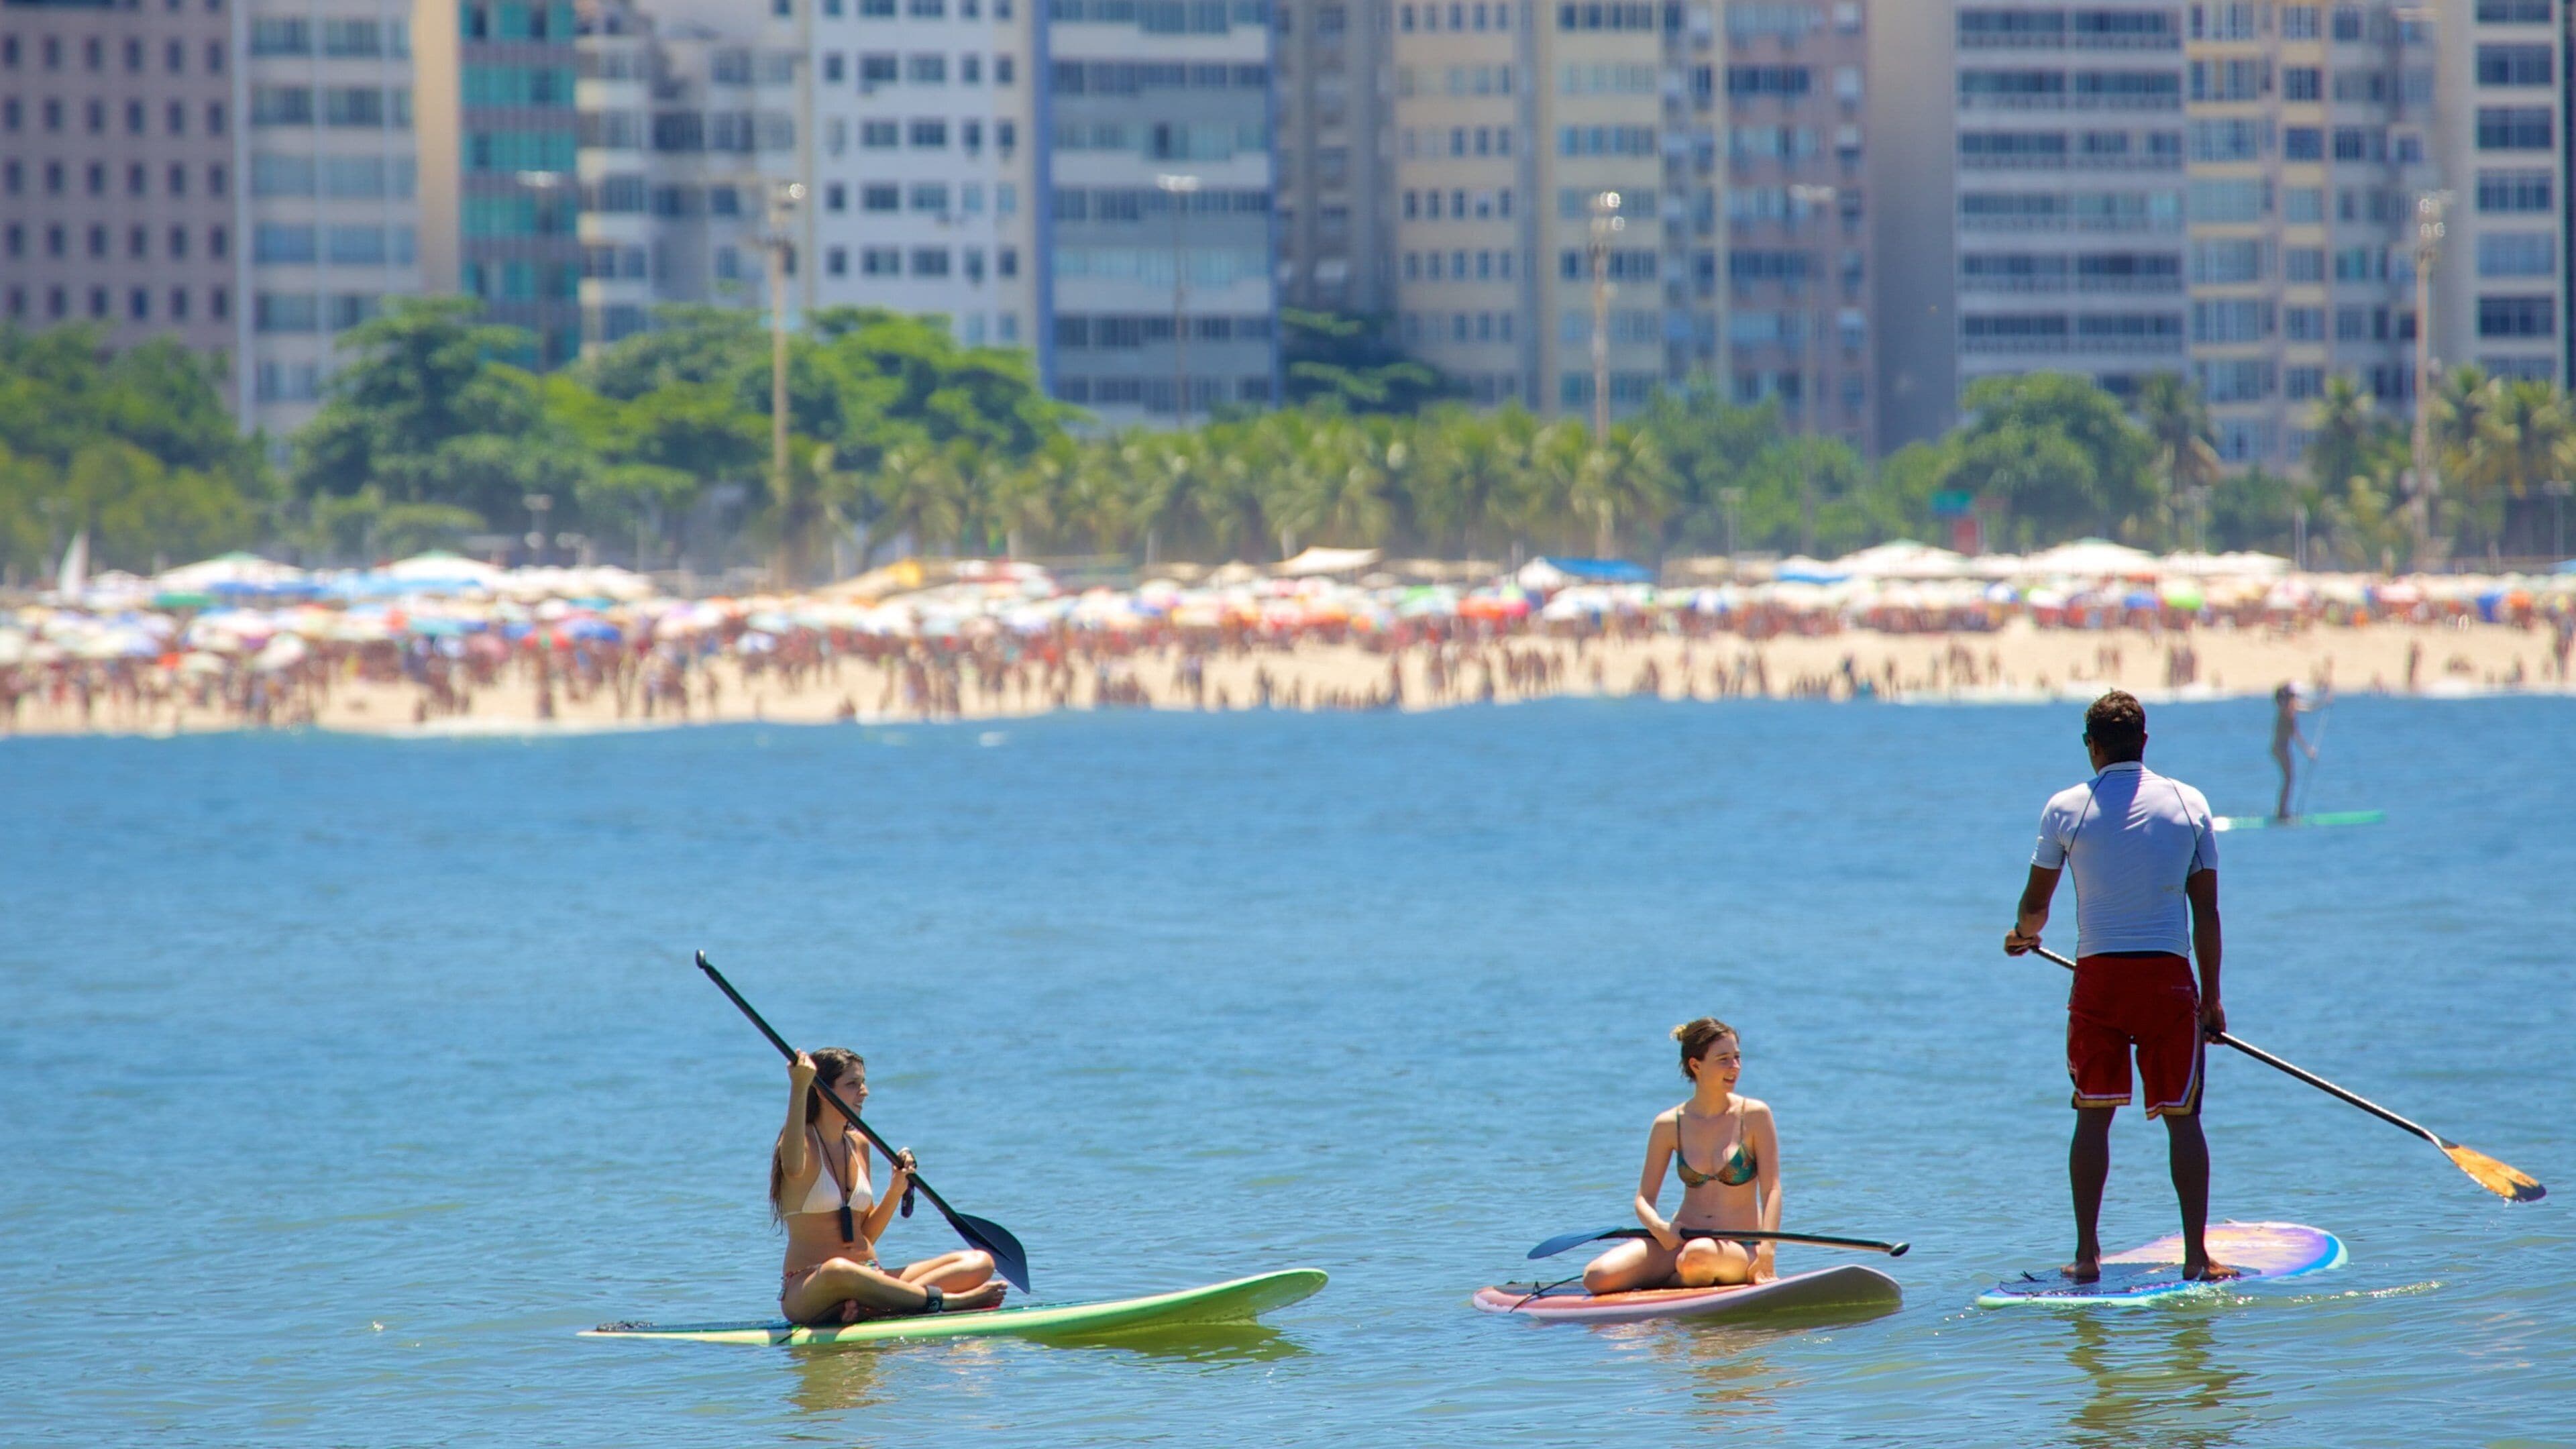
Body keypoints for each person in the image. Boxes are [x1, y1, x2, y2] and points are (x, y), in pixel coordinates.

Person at [2006, 690, 2237, 1284]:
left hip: (2099, 981)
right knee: (2184, 1119)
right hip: (2167, 980)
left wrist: (2022, 935)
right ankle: (2196, 1257)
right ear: (2145, 741)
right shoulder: (2191, 803)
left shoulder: (2065, 808)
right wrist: (2211, 1000)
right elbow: (2206, 913)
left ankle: (2087, 1257)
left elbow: (2036, 906)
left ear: (2093, 746)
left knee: (2093, 1116)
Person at [772, 1047, 1007, 1325]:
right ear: (822, 1091)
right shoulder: (799, 1142)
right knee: (839, 1270)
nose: (865, 1092)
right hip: (812, 1286)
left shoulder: (858, 1143)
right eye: (852, 1084)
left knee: (980, 1262)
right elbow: (791, 1166)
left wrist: (896, 1188)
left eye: (862, 1083)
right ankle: (949, 1301)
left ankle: (878, 1307)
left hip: (871, 1275)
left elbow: (866, 1233)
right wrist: (799, 1086)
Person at [1580, 1018, 1782, 1293]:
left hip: (1739, 1248)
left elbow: (1772, 1190)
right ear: (1695, 1065)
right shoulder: (1669, 1124)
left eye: (1737, 1058)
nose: (1735, 1067)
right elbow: (1643, 1199)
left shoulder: (1755, 1115)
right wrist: (1660, 1228)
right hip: (1680, 1241)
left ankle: (1670, 1282)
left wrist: (1767, 1252)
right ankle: (1676, 1279)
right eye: (1723, 1059)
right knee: (1597, 1277)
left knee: (1697, 1257)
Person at [2269, 683, 2324, 820]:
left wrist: (2323, 703)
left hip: (2281, 749)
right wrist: (2308, 751)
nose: (2296, 701)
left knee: (2289, 779)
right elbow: (2295, 735)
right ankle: (2282, 812)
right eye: (2293, 698)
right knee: (2289, 779)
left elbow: (2308, 708)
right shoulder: (2287, 713)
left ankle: (2282, 811)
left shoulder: (2290, 709)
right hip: (2280, 749)